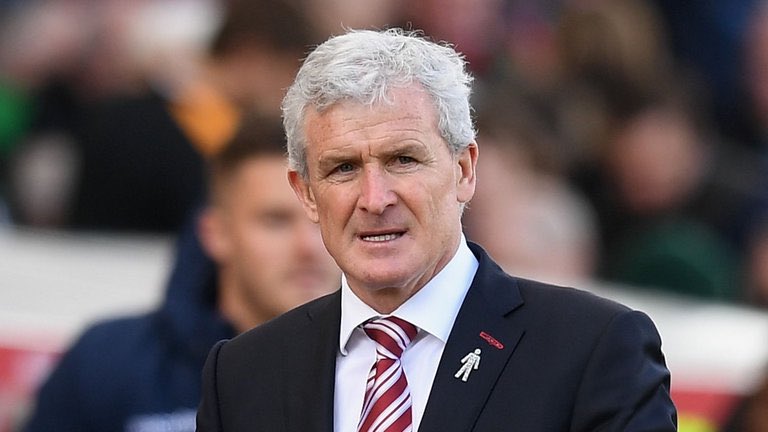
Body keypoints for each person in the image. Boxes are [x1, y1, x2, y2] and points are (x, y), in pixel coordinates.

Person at [196, 28, 677, 431]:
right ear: (305, 193)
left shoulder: (593, 348)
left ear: (464, 170)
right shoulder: (240, 374)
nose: (374, 199)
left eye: (403, 160)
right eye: (343, 168)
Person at [21, 116, 341, 432]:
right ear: (216, 233)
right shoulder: (106, 360)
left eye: (321, 217)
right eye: (276, 221)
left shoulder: (370, 369)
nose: (308, 247)